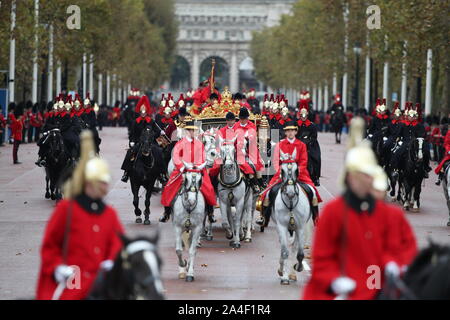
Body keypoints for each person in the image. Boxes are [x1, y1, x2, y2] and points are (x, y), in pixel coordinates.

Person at [302, 117, 417, 300]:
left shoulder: (392, 215)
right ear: (349, 178)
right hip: (343, 289)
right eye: (359, 175)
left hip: (379, 288)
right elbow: (322, 258)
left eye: (367, 175)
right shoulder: (333, 212)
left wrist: (395, 265)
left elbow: (407, 250)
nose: (365, 180)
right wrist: (334, 280)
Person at [36, 131, 124, 300]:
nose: (105, 187)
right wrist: (56, 267)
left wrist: (113, 260)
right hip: (73, 279)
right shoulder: (65, 210)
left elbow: (118, 242)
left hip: (100, 282)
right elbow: (50, 245)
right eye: (100, 182)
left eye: (105, 182)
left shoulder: (109, 214)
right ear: (88, 183)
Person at [256, 121, 322, 228]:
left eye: (292, 130)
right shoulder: (279, 145)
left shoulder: (301, 145)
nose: (290, 133)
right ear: (285, 133)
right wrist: (280, 172)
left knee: (313, 192)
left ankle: (316, 218)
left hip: (299, 173)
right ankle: (264, 218)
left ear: (296, 132)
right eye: (288, 131)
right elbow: (275, 161)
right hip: (282, 173)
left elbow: (304, 161)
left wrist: (297, 171)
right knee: (268, 193)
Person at [159, 121, 217, 223]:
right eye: (189, 130)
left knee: (208, 188)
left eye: (193, 130)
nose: (191, 132)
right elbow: (176, 156)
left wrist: (199, 166)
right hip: (182, 170)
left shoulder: (199, 144)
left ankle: (210, 213)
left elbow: (203, 157)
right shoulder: (180, 143)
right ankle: (166, 212)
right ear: (186, 131)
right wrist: (181, 167)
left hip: (197, 170)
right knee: (169, 187)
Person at [121, 95, 162, 183]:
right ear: (140, 111)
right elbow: (132, 134)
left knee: (159, 153)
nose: (143, 113)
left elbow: (157, 131)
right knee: (130, 153)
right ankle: (126, 173)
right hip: (139, 142)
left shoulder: (151, 121)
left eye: (144, 111)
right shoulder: (136, 122)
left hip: (150, 143)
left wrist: (158, 134)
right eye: (142, 111)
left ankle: (161, 174)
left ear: (147, 111)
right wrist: (132, 142)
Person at [233, 107, 264, 192]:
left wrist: (245, 138)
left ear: (247, 118)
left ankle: (260, 182)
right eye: (241, 119)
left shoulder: (251, 125)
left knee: (256, 162)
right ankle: (251, 180)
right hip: (238, 149)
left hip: (250, 148)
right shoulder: (236, 125)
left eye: (244, 119)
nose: (242, 121)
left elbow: (251, 136)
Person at [297, 100, 321, 186]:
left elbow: (314, 136)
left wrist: (308, 142)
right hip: (298, 145)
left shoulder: (312, 125)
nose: (303, 117)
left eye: (304, 115)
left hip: (310, 145)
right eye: (302, 115)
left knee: (316, 158)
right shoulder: (296, 124)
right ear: (300, 116)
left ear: (307, 115)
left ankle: (316, 177)